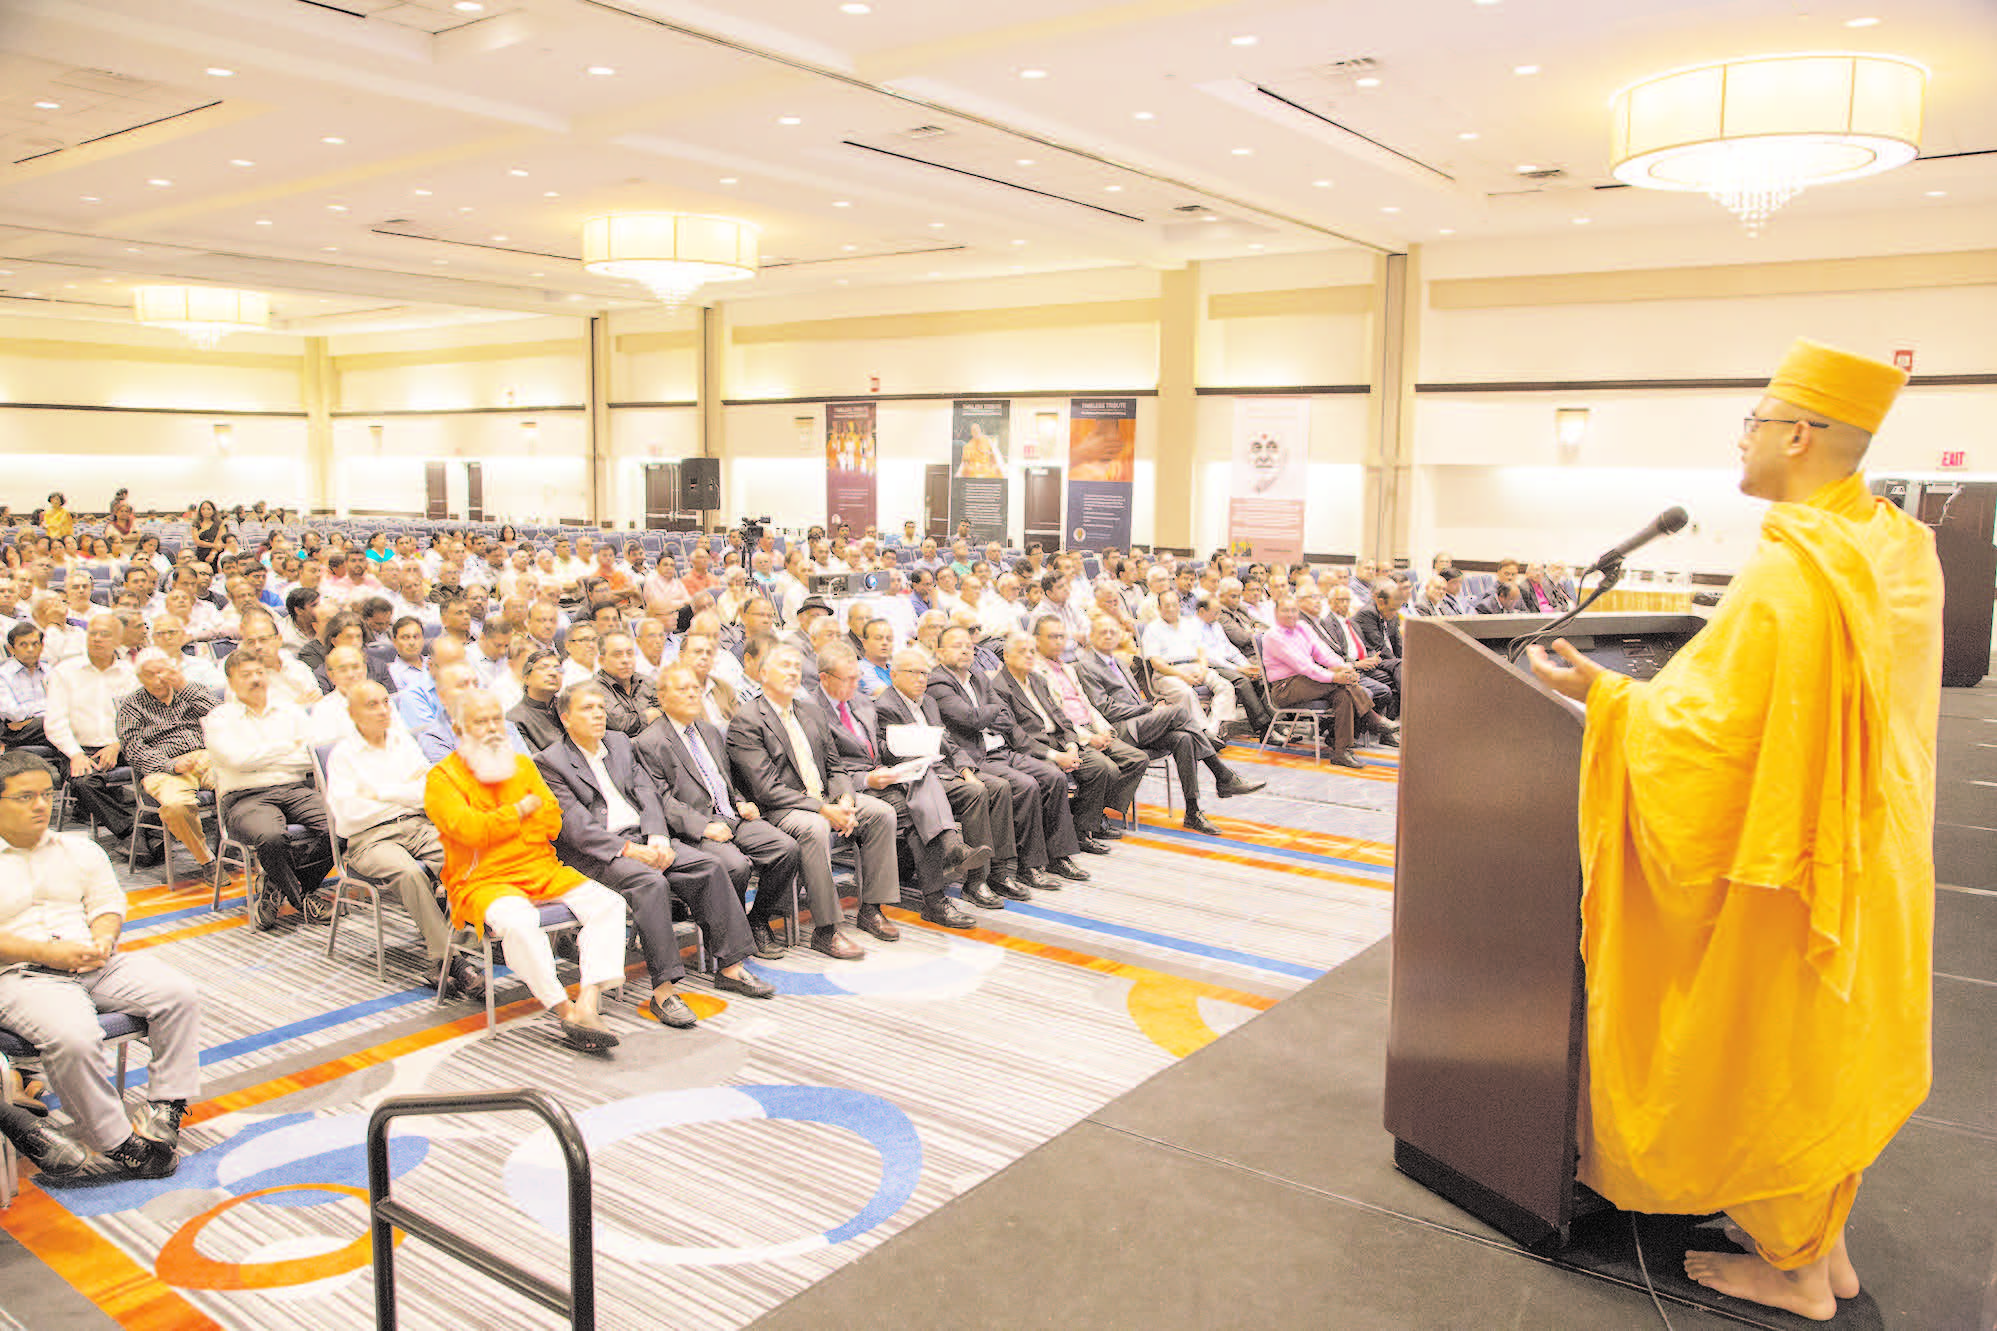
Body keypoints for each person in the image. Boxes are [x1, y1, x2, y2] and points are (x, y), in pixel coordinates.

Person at [1525, 340, 1940, 1321]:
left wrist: (1606, 698)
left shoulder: (1795, 563)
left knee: (1777, 1046)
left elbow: (1716, 738)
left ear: (1797, 433)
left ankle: (1795, 1271)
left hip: (1788, 858)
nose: (1740, 439)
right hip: (1873, 844)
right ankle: (1819, 1243)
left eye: (1750, 421)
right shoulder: (1889, 541)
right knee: (1826, 1044)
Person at [0, 750, 199, 1179]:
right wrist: (48, 953)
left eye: (46, 795)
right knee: (74, 1036)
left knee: (178, 994)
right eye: (24, 797)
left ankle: (167, 1102)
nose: (40, 805)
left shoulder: (78, 848)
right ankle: (118, 1142)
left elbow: (107, 903)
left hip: (94, 961)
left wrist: (104, 937)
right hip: (20, 976)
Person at [536, 684, 773, 1025]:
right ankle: (664, 991)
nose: (599, 714)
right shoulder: (550, 762)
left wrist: (658, 837)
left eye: (601, 707)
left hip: (643, 838)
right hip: (599, 853)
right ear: (565, 717)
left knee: (708, 866)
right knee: (651, 884)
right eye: (588, 709)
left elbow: (647, 792)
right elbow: (575, 828)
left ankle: (731, 967)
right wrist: (632, 850)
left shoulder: (619, 743)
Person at [424, 691, 628, 1052]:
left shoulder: (520, 764)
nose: (490, 729)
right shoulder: (443, 778)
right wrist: (518, 812)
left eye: (494, 720)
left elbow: (550, 819)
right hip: (483, 879)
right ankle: (563, 1009)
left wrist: (500, 823)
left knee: (609, 904)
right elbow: (468, 830)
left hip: (539, 867)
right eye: (479, 722)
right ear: (458, 729)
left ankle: (588, 1003)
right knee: (519, 924)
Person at [726, 644, 896, 960]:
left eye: (795, 666)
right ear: (763, 674)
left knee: (881, 812)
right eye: (784, 666)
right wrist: (824, 809)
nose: (793, 671)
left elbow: (835, 766)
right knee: (815, 827)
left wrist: (845, 798)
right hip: (780, 810)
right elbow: (765, 790)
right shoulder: (747, 720)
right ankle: (826, 930)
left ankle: (871, 908)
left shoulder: (811, 712)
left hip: (825, 799)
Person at [634, 664, 799, 960]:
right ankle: (725, 939)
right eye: (682, 689)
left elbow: (723, 778)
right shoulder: (650, 742)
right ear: (661, 695)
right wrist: (703, 827)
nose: (692, 694)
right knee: (735, 865)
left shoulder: (708, 731)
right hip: (695, 828)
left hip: (731, 816)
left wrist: (739, 800)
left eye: (695, 688)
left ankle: (756, 920)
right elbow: (661, 800)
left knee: (785, 848)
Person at [814, 645, 981, 930]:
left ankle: (940, 877)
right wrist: (866, 780)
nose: (856, 685)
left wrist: (895, 759)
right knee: (918, 813)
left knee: (922, 771)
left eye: (857, 678)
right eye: (848, 679)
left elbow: (875, 747)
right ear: (824, 678)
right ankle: (937, 892)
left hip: (882, 777)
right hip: (849, 788)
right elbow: (826, 769)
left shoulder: (861, 703)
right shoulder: (813, 713)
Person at [928, 625, 1096, 881]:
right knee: (1025, 785)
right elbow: (971, 718)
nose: (965, 650)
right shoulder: (938, 682)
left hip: (1002, 748)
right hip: (975, 757)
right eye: (956, 645)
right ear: (939, 653)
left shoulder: (978, 676)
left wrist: (988, 714)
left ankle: (1058, 857)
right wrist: (990, 713)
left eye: (968, 645)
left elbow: (1004, 716)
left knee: (1053, 777)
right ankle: (1025, 866)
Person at [324, 681, 454, 988]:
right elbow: (351, 813)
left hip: (416, 824)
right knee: (409, 873)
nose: (384, 710)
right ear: (353, 713)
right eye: (372, 705)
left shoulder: (402, 741)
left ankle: (463, 940)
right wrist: (404, 793)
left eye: (386, 702)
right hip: (369, 839)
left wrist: (380, 792)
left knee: (465, 854)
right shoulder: (343, 755)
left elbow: (429, 793)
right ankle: (446, 958)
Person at [203, 650, 335, 926]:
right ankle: (303, 899)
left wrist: (257, 755)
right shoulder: (218, 719)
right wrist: (286, 747)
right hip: (244, 797)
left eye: (259, 673)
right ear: (230, 680)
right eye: (245, 675)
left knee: (342, 823)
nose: (255, 680)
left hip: (294, 788)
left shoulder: (290, 711)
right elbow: (236, 760)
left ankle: (276, 882)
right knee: (271, 837)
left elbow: (309, 756)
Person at [44, 613, 148, 857]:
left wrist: (117, 744)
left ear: (118, 639)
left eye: (105, 634)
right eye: (93, 633)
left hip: (123, 745)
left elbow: (139, 719)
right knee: (83, 782)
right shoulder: (65, 672)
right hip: (82, 749)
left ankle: (153, 835)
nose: (98, 639)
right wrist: (75, 754)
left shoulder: (130, 673)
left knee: (159, 770)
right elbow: (55, 722)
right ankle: (133, 833)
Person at [115, 649, 219, 871]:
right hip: (162, 768)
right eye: (150, 675)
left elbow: (223, 715)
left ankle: (233, 846)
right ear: (140, 678)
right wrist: (170, 765)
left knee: (239, 784)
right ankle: (206, 860)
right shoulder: (132, 705)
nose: (159, 679)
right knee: (175, 806)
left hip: (204, 756)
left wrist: (184, 686)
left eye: (162, 672)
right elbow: (133, 749)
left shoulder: (190, 690)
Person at [508, 649, 566, 752]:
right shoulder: (515, 719)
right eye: (544, 668)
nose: (553, 673)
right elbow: (536, 762)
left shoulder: (570, 707)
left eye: (558, 669)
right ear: (526, 678)